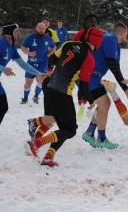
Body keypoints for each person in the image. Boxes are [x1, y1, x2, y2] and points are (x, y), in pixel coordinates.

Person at [26, 27, 103, 167]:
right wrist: (92, 103)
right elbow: (84, 86)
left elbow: (51, 60)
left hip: (50, 87)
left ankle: (48, 157)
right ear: (98, 42)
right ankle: (36, 143)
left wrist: (47, 74)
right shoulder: (89, 58)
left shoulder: (68, 44)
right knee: (70, 130)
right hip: (63, 94)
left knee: (58, 124)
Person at [81, 22, 128, 149]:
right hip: (88, 76)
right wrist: (124, 87)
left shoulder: (115, 44)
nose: (126, 37)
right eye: (126, 34)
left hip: (94, 77)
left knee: (104, 104)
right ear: (122, 33)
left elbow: (115, 66)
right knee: (105, 103)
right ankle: (101, 139)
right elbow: (111, 63)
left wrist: (123, 82)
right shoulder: (110, 39)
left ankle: (89, 132)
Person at [0, 23, 41, 124]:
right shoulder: (0, 42)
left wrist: (38, 73)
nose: (18, 33)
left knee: (3, 107)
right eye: (16, 31)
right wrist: (3, 68)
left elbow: (22, 64)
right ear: (9, 32)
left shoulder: (12, 46)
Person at [20, 22, 56, 104]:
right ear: (36, 28)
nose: (41, 30)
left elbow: (54, 47)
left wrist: (49, 53)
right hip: (31, 64)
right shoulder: (30, 37)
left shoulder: (48, 38)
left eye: (43, 29)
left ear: (45, 29)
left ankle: (36, 96)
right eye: (40, 28)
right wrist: (29, 53)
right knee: (28, 82)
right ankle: (25, 98)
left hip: (43, 64)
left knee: (41, 82)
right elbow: (22, 47)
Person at [74, 14, 99, 119]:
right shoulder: (80, 33)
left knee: (84, 84)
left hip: (90, 61)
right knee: (83, 84)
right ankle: (82, 107)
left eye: (94, 22)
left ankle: (85, 106)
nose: (93, 23)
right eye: (91, 21)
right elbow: (74, 45)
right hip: (81, 62)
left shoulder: (97, 33)